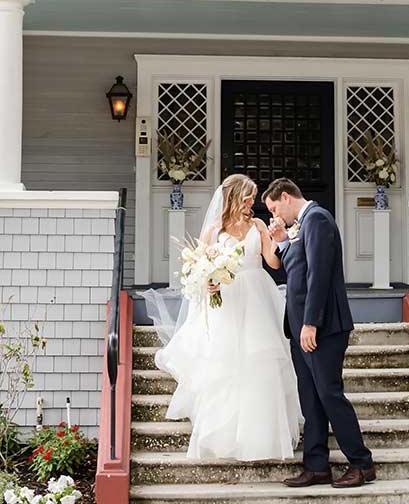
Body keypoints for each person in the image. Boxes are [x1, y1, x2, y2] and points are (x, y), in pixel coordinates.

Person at [142, 173, 302, 461]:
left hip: (257, 296)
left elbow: (272, 262)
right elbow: (200, 271)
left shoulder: (258, 224)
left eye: (253, 198)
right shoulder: (214, 230)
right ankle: (225, 437)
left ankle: (262, 437)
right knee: (226, 365)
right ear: (234, 197)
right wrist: (210, 282)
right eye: (248, 197)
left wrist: (279, 238)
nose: (252, 203)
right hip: (226, 301)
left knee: (260, 362)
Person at [264, 177, 376, 489]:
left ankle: (362, 464)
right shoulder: (302, 225)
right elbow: (296, 270)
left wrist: (311, 323)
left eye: (275, 208)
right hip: (301, 328)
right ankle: (316, 466)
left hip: (322, 328)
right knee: (310, 398)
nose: (275, 216)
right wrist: (284, 241)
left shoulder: (318, 220)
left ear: (286, 197)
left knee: (329, 394)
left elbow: (320, 275)